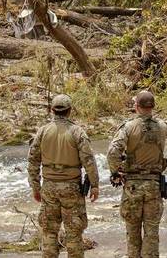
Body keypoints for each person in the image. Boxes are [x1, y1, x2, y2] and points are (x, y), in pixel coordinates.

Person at [27, 94, 99, 258]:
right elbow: (89, 161)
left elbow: (32, 161)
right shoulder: (77, 132)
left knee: (49, 233)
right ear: (69, 111)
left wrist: (35, 187)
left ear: (52, 110)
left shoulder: (43, 131)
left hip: (49, 187)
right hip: (72, 188)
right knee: (74, 233)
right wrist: (94, 185)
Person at [108, 90, 167, 258]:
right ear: (153, 107)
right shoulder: (163, 127)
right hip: (154, 186)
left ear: (136, 106)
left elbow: (113, 152)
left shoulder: (128, 127)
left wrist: (116, 172)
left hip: (133, 187)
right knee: (152, 233)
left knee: (133, 233)